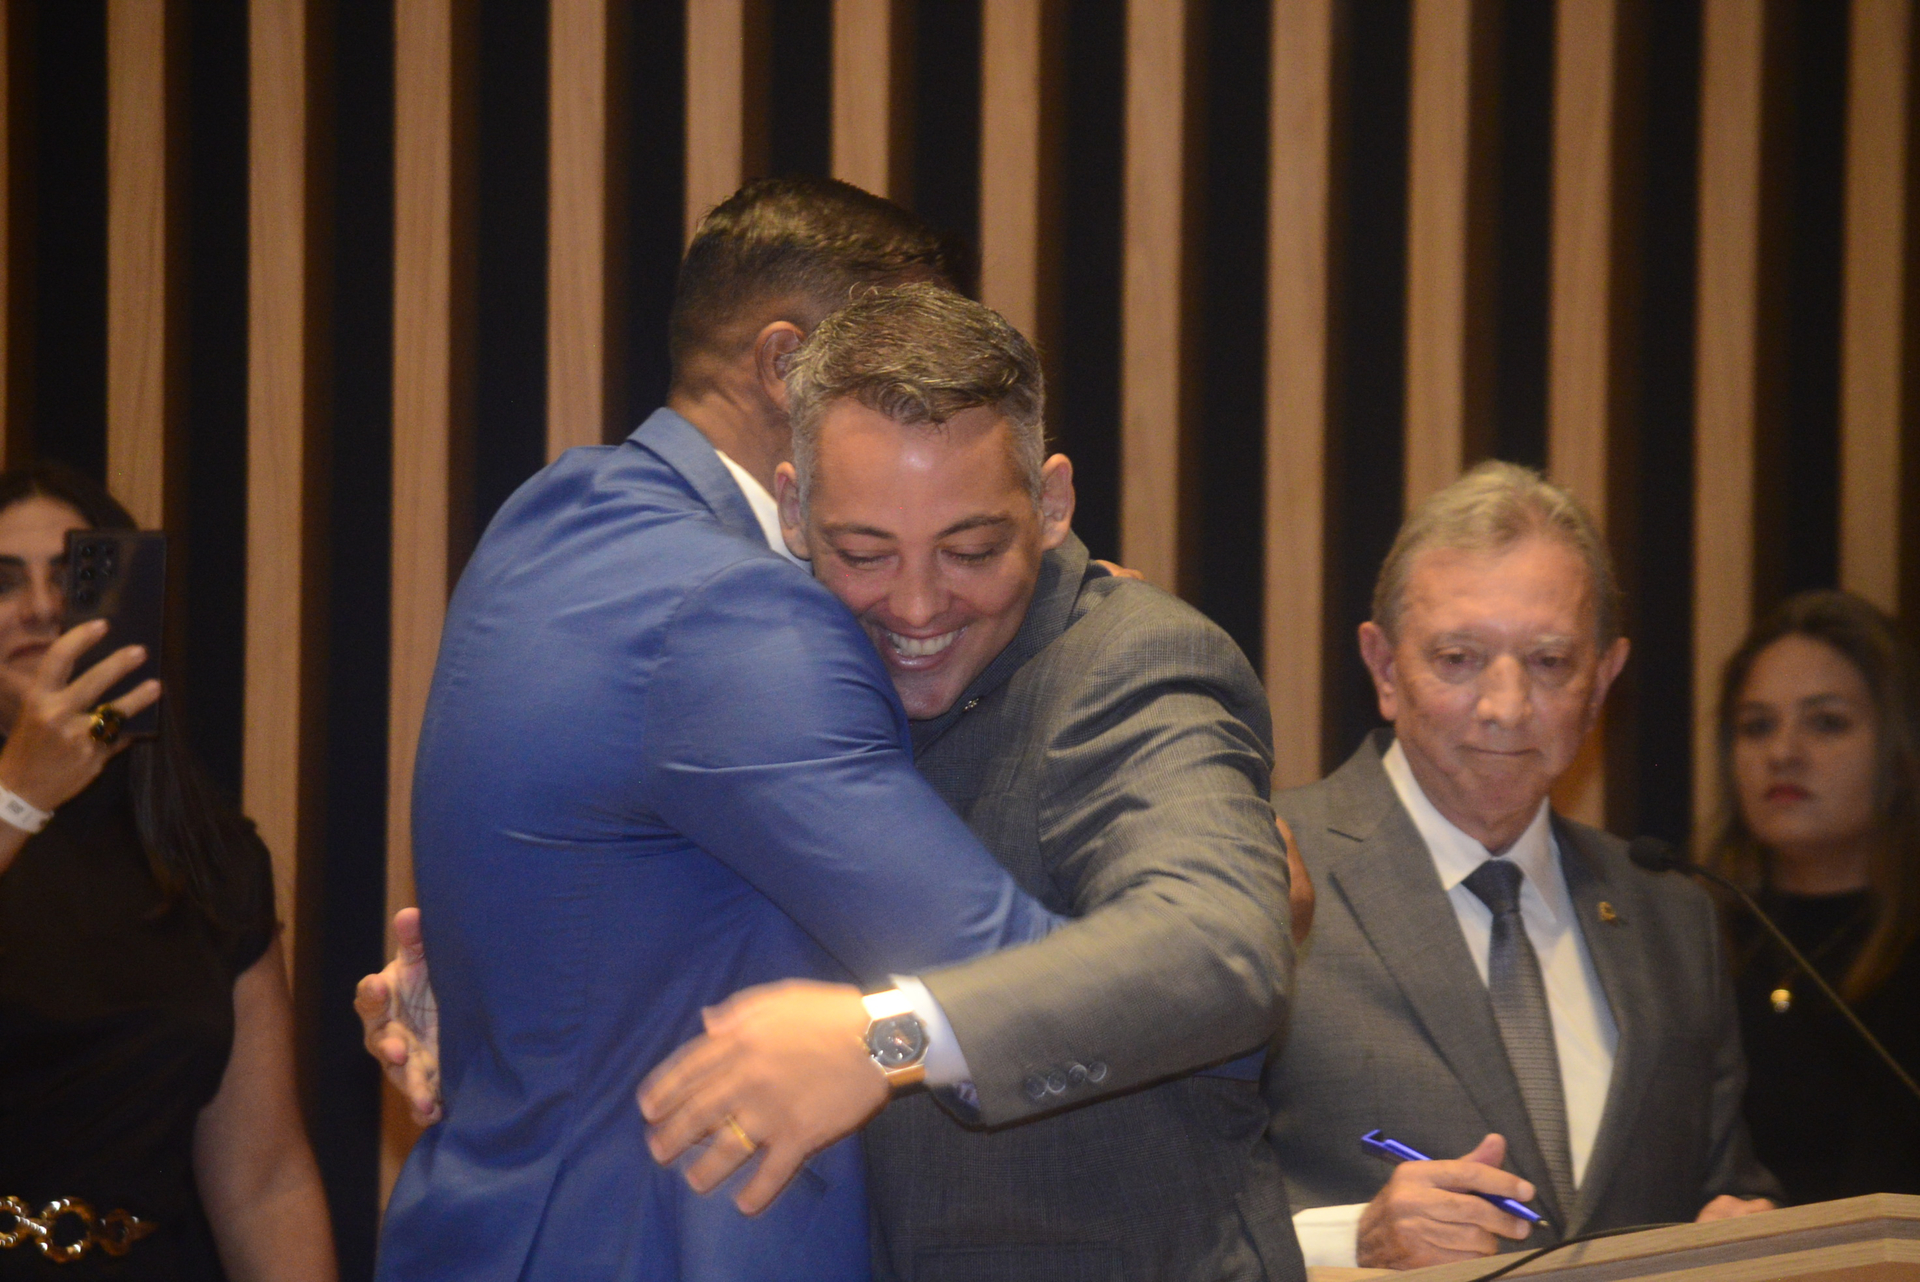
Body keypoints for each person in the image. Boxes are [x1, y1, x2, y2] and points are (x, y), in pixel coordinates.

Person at [364, 284, 1308, 1280]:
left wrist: (885, 1039)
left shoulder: (1133, 663)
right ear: (792, 511)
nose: (917, 605)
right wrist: (489, 997)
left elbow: (1219, 951)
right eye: (865, 553)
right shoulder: (792, 677)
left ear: (1052, 503)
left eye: (971, 550)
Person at [373, 179, 1063, 1282]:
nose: (937, 396)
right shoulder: (734, 608)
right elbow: (1011, 978)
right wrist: (1221, 916)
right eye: (900, 358)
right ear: (785, 363)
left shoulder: (550, 517)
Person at [1265, 461, 1781, 1271]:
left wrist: (1746, 1231)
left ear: (1602, 680)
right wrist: (1349, 1241)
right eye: (1459, 658)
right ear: (1385, 668)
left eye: (1548, 661)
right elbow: (1149, 1202)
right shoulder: (1265, 869)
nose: (1506, 708)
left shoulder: (1673, 916)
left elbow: (1723, 1187)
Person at [0, 462, 335, 1280]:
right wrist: (17, 798)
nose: (40, 607)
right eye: (4, 582)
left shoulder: (204, 853)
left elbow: (265, 1181)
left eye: (70, 577)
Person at [1708, 589, 1920, 1203]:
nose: (1783, 753)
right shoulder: (1690, 941)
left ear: (1900, 753)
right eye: (1757, 726)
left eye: (1826, 723)